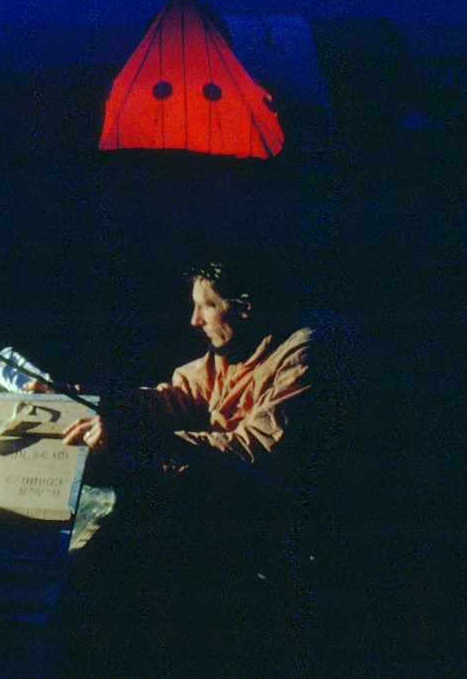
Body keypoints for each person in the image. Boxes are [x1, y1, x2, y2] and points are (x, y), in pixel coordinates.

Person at [48, 258, 322, 678]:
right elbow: (179, 395)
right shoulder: (236, 349)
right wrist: (101, 405)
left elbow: (252, 452)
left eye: (206, 306)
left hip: (267, 541)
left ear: (244, 307)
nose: (194, 320)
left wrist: (139, 442)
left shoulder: (302, 356)